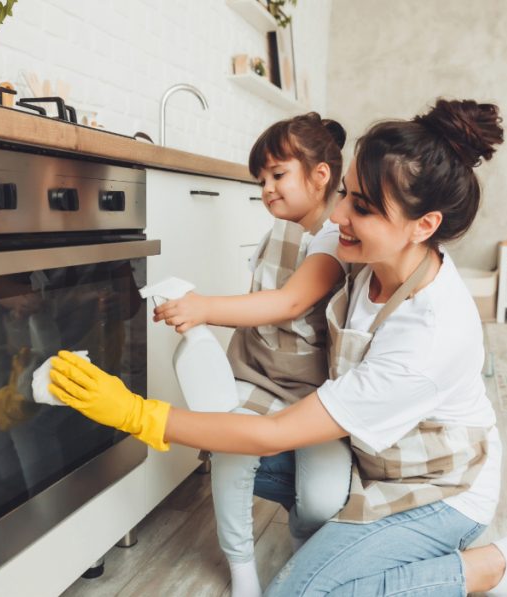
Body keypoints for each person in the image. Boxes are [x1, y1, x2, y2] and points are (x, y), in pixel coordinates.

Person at [48, 98, 507, 596]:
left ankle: (491, 568)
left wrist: (135, 414)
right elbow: (287, 299)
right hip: (373, 459)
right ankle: (351, 550)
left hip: (438, 489)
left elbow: (273, 432)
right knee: (226, 449)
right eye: (347, 193)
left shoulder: (431, 333)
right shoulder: (358, 249)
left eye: (362, 207)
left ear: (424, 226)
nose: (340, 213)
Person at [152, 112, 352, 597]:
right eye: (261, 179)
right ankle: (242, 564)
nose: (267, 189)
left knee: (324, 501)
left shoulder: (337, 236)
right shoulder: (279, 229)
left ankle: (306, 540)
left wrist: (203, 308)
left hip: (316, 394)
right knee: (231, 448)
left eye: (278, 175)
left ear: (320, 174)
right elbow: (264, 303)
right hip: (259, 375)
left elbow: (290, 302)